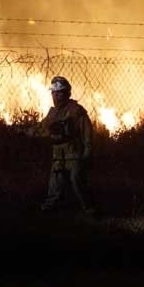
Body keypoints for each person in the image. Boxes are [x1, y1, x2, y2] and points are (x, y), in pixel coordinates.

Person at [38, 76, 97, 217]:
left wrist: (87, 151)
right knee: (55, 185)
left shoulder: (76, 110)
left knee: (76, 182)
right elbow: (41, 129)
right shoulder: (53, 113)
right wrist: (23, 132)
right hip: (58, 156)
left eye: (59, 93)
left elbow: (87, 131)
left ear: (66, 94)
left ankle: (90, 210)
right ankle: (48, 212)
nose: (55, 96)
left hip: (74, 155)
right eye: (53, 93)